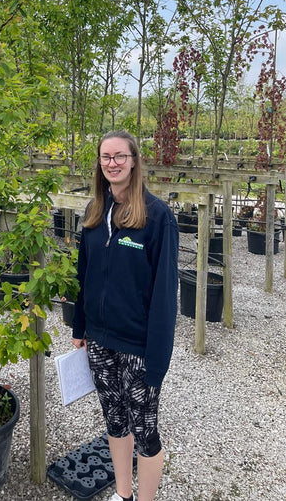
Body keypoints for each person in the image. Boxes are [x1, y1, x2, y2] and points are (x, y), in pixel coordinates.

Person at [72, 130, 179, 501]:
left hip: (138, 346)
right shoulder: (94, 213)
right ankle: (123, 494)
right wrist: (79, 326)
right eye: (105, 157)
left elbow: (166, 295)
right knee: (115, 422)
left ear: (134, 160)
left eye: (119, 156)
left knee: (145, 432)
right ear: (99, 165)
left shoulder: (157, 218)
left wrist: (157, 359)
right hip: (101, 341)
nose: (112, 163)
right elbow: (84, 275)